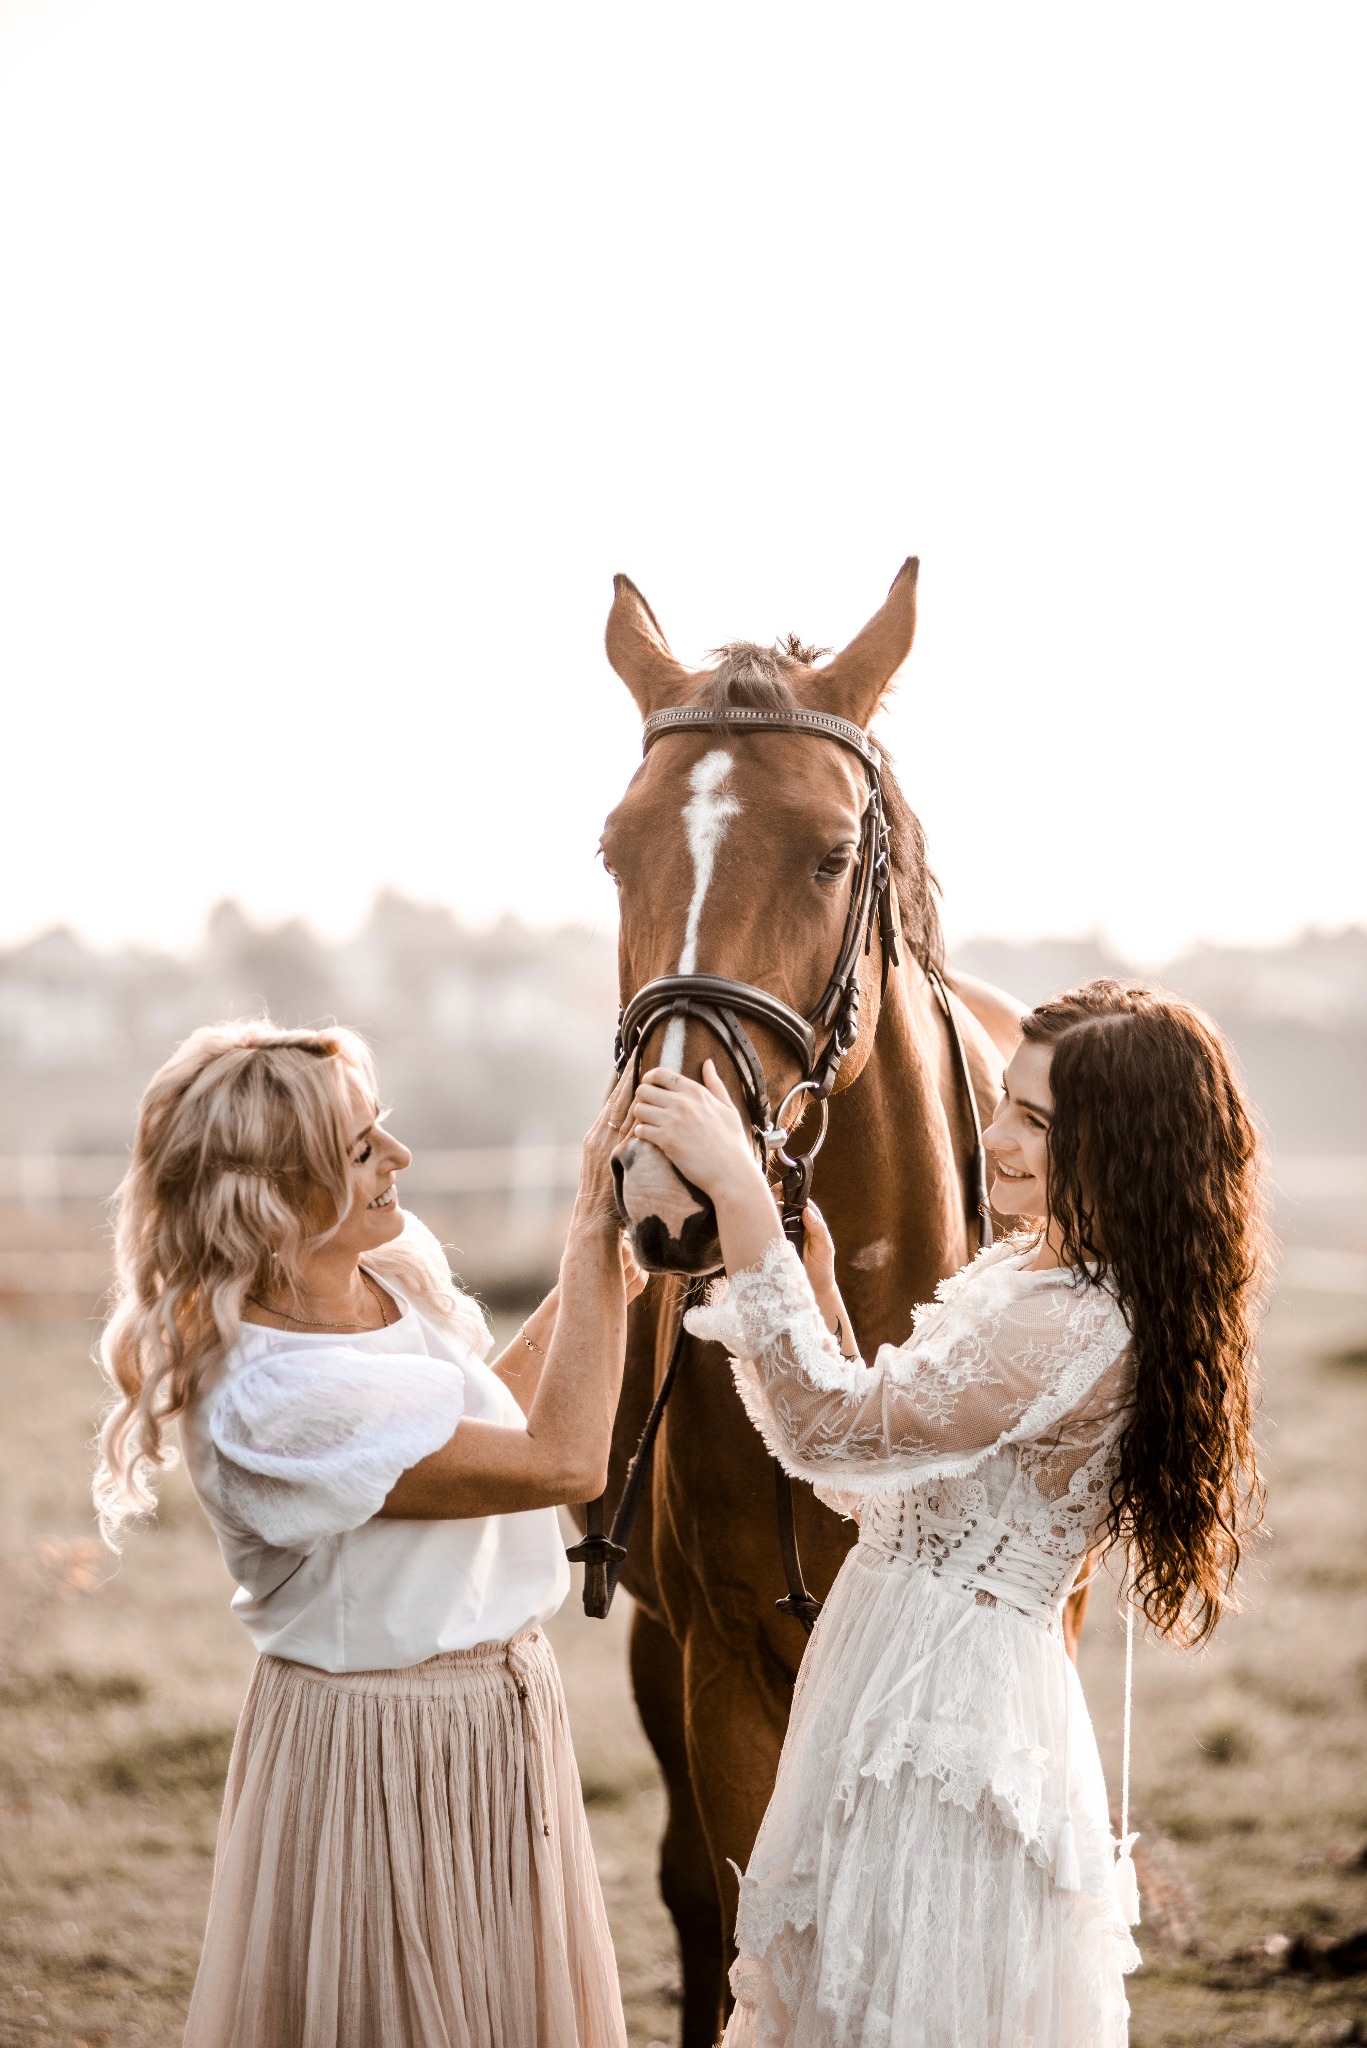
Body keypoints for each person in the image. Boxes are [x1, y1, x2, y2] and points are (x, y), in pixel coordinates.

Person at [628, 979, 1266, 2047]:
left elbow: (825, 1433)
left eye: (1037, 1122)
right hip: (896, 1668)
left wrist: (740, 1194)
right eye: (1005, 1099)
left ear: (1123, 1146)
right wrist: (816, 1299)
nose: (997, 1137)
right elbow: (875, 1480)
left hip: (946, 1709)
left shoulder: (1069, 1321)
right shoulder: (1033, 1279)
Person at [93, 1019, 640, 2048]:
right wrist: (588, 1227)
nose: (399, 1156)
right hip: (384, 1746)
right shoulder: (273, 1396)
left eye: (379, 1126)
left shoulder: (384, 1276)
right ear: (272, 1193)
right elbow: (561, 1464)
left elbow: (472, 1441)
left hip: (503, 1716)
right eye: (359, 1148)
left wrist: (594, 1283)